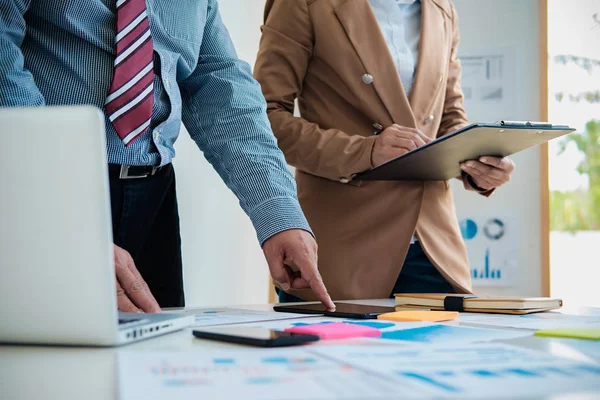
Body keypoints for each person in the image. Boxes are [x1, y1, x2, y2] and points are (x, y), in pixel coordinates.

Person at [0, 0, 334, 311]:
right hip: (43, 189)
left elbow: (220, 84)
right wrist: (64, 223)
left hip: (153, 196)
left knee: (158, 357)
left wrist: (278, 214)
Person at [254, 0, 516, 302]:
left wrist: (478, 160)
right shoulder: (305, 4)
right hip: (341, 248)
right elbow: (264, 116)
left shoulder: (442, 9)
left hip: (433, 250)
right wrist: (363, 151)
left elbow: (449, 117)